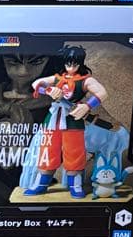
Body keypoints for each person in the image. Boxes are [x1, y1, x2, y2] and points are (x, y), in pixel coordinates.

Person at [24, 45, 107, 199]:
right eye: (68, 63)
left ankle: (75, 184)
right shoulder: (57, 78)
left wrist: (87, 106)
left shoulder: (85, 80)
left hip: (73, 120)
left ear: (80, 63)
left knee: (74, 151)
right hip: (53, 120)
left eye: (75, 63)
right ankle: (41, 183)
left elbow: (102, 92)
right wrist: (48, 90)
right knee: (48, 150)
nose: (71, 67)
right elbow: (36, 84)